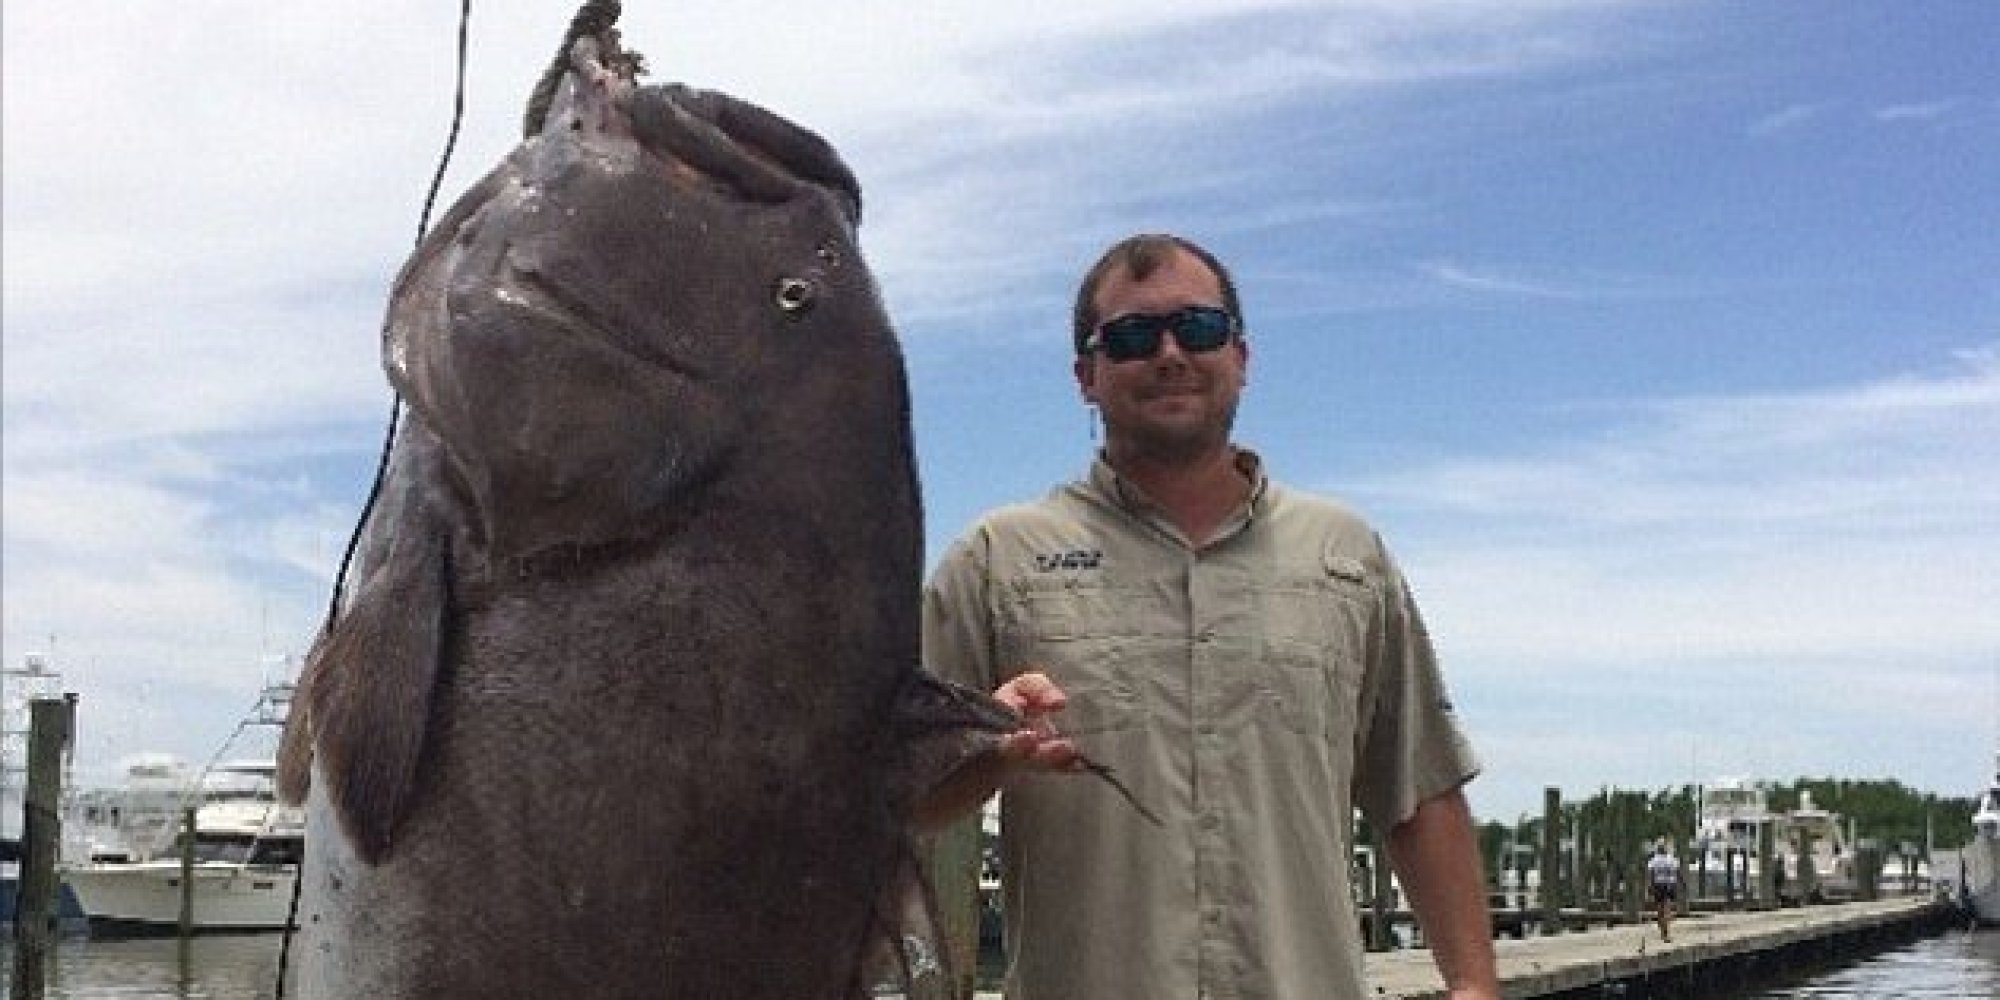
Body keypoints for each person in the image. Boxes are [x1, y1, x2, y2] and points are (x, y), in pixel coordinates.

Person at [917, 233, 1499, 1000]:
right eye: (1129, 337)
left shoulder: (1347, 556)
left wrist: (1474, 985)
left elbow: (1418, 788)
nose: (1168, 354)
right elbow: (904, 800)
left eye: (1197, 328)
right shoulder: (994, 561)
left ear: (1242, 358)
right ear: (1085, 377)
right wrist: (987, 749)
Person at [1647, 841, 1683, 943]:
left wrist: (1650, 887)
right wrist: (1682, 884)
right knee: (1667, 908)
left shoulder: (1654, 860)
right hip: (1670, 885)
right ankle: (1665, 932)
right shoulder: (1672, 859)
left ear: (1658, 849)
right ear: (1665, 849)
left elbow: (1651, 874)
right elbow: (1678, 872)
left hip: (1658, 885)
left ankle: (1663, 929)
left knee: (1660, 909)